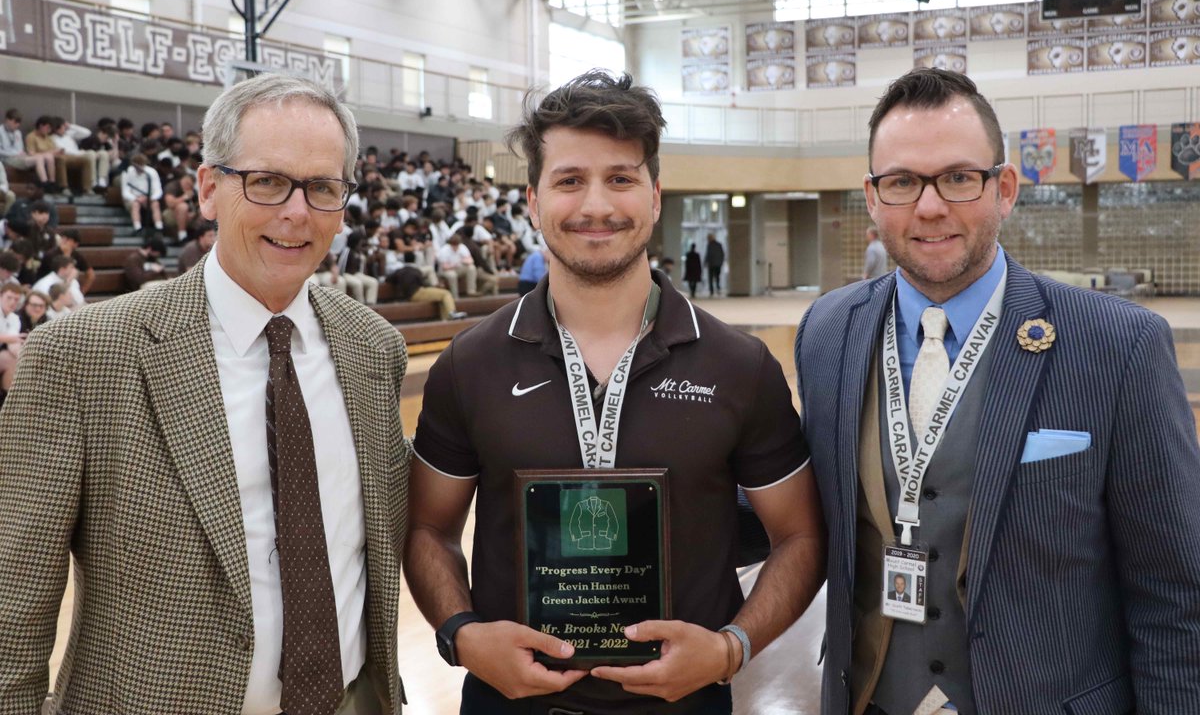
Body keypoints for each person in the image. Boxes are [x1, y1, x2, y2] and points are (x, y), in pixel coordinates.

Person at [405, 70, 826, 714]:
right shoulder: (470, 365)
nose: (596, 205)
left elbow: (800, 536)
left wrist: (731, 648)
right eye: (570, 180)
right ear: (533, 201)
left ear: (655, 196)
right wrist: (461, 636)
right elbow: (430, 527)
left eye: (620, 179)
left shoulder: (740, 366)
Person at [0, 73, 410, 714]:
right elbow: (12, 598)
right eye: (268, 181)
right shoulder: (82, 355)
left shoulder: (372, 347)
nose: (296, 212)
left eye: (322, 187)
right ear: (209, 189)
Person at [793, 68, 1200, 715]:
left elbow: (1176, 594)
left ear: (1004, 188)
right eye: (901, 182)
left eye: (958, 177)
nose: (929, 207)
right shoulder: (826, 333)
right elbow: (803, 513)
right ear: (872, 197)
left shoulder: (1118, 347)